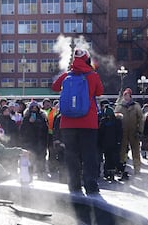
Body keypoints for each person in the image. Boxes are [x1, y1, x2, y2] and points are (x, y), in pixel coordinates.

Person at [51, 48, 104, 195]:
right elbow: (99, 92)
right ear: (87, 59)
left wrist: (68, 73)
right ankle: (91, 186)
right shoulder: (92, 75)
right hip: (88, 122)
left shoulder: (67, 75)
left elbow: (54, 86)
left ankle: (74, 185)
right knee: (89, 155)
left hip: (67, 123)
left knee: (71, 155)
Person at [114, 88, 144, 179]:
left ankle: (137, 169)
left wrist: (140, 130)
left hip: (134, 131)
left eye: (127, 95)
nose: (126, 97)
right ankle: (121, 168)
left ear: (130, 96)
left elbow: (141, 119)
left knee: (135, 151)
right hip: (123, 132)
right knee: (122, 151)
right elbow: (115, 116)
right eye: (125, 95)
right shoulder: (119, 106)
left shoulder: (136, 106)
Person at [20, 101, 48, 179]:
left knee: (41, 159)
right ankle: (29, 175)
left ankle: (41, 174)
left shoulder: (42, 117)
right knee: (31, 159)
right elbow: (22, 130)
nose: (34, 109)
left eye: (36, 107)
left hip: (40, 142)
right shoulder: (26, 117)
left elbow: (45, 130)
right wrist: (29, 123)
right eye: (33, 107)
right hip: (30, 142)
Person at [98, 106, 123, 182]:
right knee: (111, 158)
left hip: (109, 144)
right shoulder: (116, 121)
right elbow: (120, 133)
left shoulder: (104, 121)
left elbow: (100, 133)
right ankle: (110, 172)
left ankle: (109, 173)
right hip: (112, 144)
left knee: (109, 158)